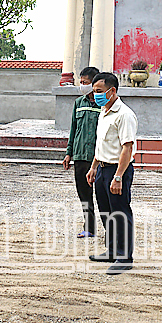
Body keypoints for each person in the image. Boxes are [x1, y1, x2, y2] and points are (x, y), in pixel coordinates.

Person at [86, 72, 138, 275]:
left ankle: (125, 257)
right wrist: (93, 167)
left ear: (112, 91)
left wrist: (118, 177)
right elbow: (102, 143)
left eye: (99, 92)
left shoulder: (124, 114)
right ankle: (112, 250)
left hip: (118, 171)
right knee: (106, 212)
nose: (95, 95)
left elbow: (127, 148)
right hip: (102, 169)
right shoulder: (104, 111)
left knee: (120, 213)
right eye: (94, 91)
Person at [62, 66, 106, 238]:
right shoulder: (78, 103)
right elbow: (73, 129)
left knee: (102, 194)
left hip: (100, 156)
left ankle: (109, 228)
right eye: (81, 82)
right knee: (84, 194)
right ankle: (89, 227)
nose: (82, 85)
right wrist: (68, 153)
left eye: (85, 82)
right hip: (80, 156)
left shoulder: (103, 104)